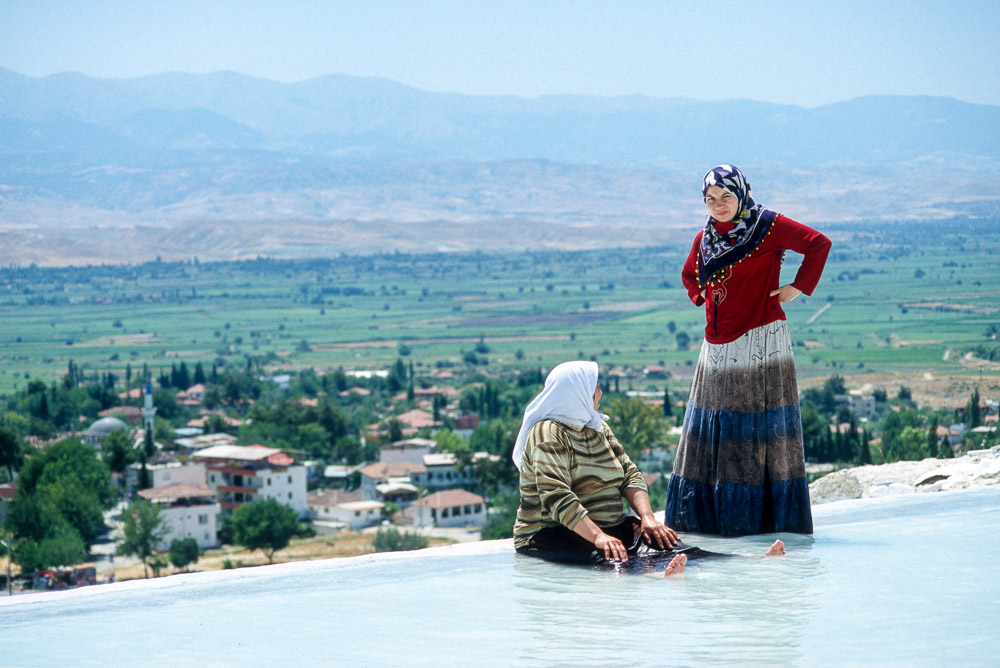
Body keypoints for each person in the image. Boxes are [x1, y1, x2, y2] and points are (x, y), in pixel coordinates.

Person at [665, 164, 831, 536]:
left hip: (759, 339)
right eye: (710, 199)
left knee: (754, 427)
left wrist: (797, 288)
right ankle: (710, 521)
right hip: (716, 346)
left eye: (726, 196)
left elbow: (818, 244)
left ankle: (755, 520)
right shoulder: (705, 238)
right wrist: (700, 295)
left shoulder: (767, 225)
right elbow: (689, 274)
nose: (719, 205)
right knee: (717, 426)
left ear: (741, 193)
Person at [512, 360, 708, 577]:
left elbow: (629, 475)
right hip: (556, 532)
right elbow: (556, 496)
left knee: (681, 550)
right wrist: (597, 536)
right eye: (596, 386)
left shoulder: (598, 427)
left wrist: (647, 518)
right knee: (612, 563)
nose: (600, 392)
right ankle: (658, 577)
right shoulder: (547, 432)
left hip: (609, 527)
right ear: (578, 391)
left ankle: (746, 563)